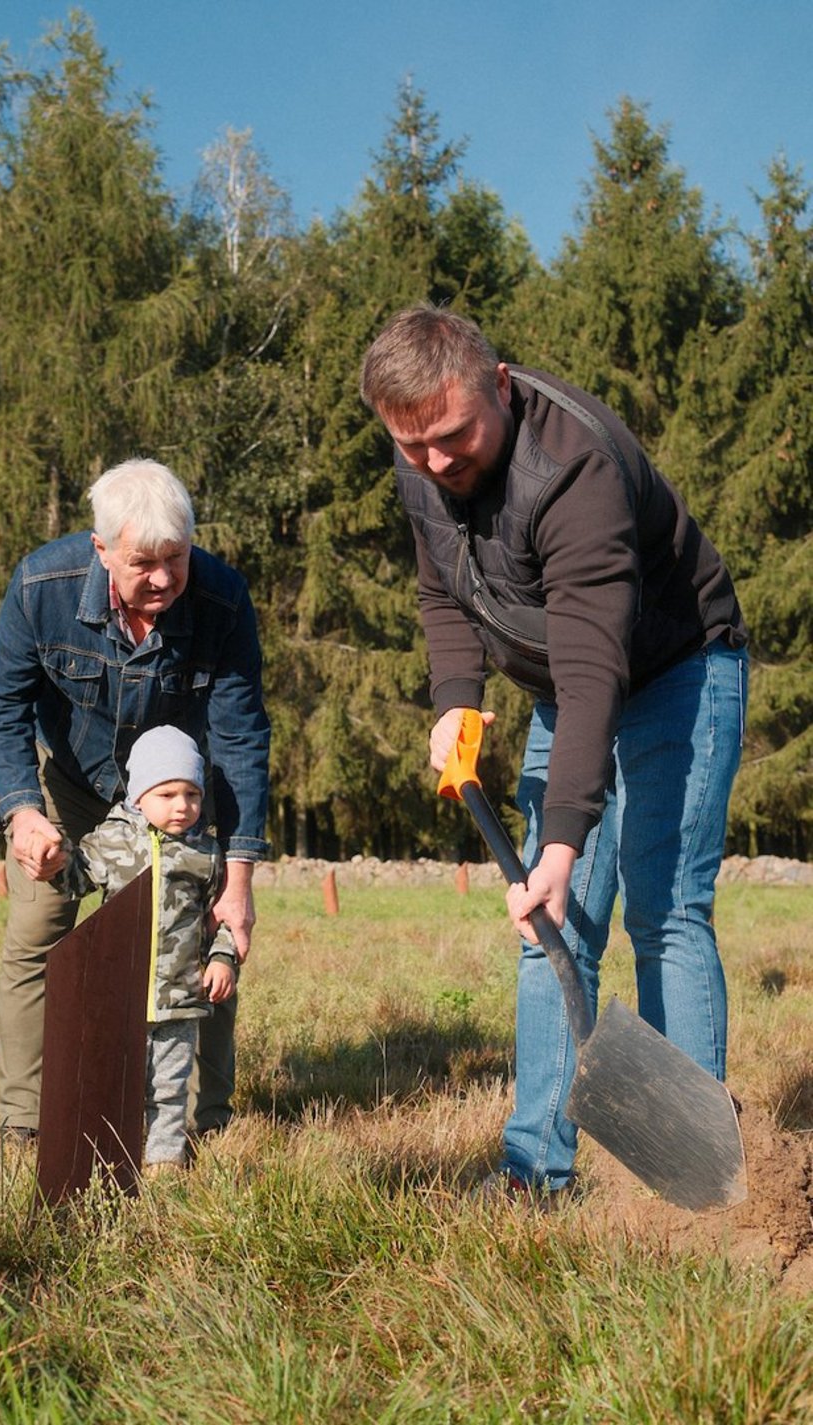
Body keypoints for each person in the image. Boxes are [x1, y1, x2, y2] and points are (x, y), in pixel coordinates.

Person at [360, 305, 749, 1199]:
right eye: (413, 445)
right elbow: (441, 591)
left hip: (677, 669)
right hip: (560, 687)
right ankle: (535, 1173)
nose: (436, 462)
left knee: (664, 911)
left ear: (499, 386)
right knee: (551, 932)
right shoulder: (420, 459)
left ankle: (697, 1189)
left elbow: (592, 669)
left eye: (454, 437)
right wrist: (457, 701)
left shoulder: (574, 471)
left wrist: (563, 842)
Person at [0, 457, 270, 1143]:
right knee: (38, 932)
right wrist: (24, 813)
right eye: (144, 563)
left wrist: (239, 878)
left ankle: (206, 1122)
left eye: (177, 557)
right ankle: (26, 1121)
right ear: (101, 549)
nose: (164, 578)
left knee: (207, 933)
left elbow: (240, 737)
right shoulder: (41, 588)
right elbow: (2, 708)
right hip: (73, 788)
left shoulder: (223, 599)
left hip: (181, 798)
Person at [58, 725, 238, 1175]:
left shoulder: (205, 853)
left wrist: (222, 959)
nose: (182, 805)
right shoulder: (110, 841)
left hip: (179, 996)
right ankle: (108, 1157)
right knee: (116, 1080)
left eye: (192, 794)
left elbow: (221, 919)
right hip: (118, 997)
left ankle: (164, 1160)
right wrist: (54, 858)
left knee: (169, 1085)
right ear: (139, 796)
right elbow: (74, 881)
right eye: (168, 794)